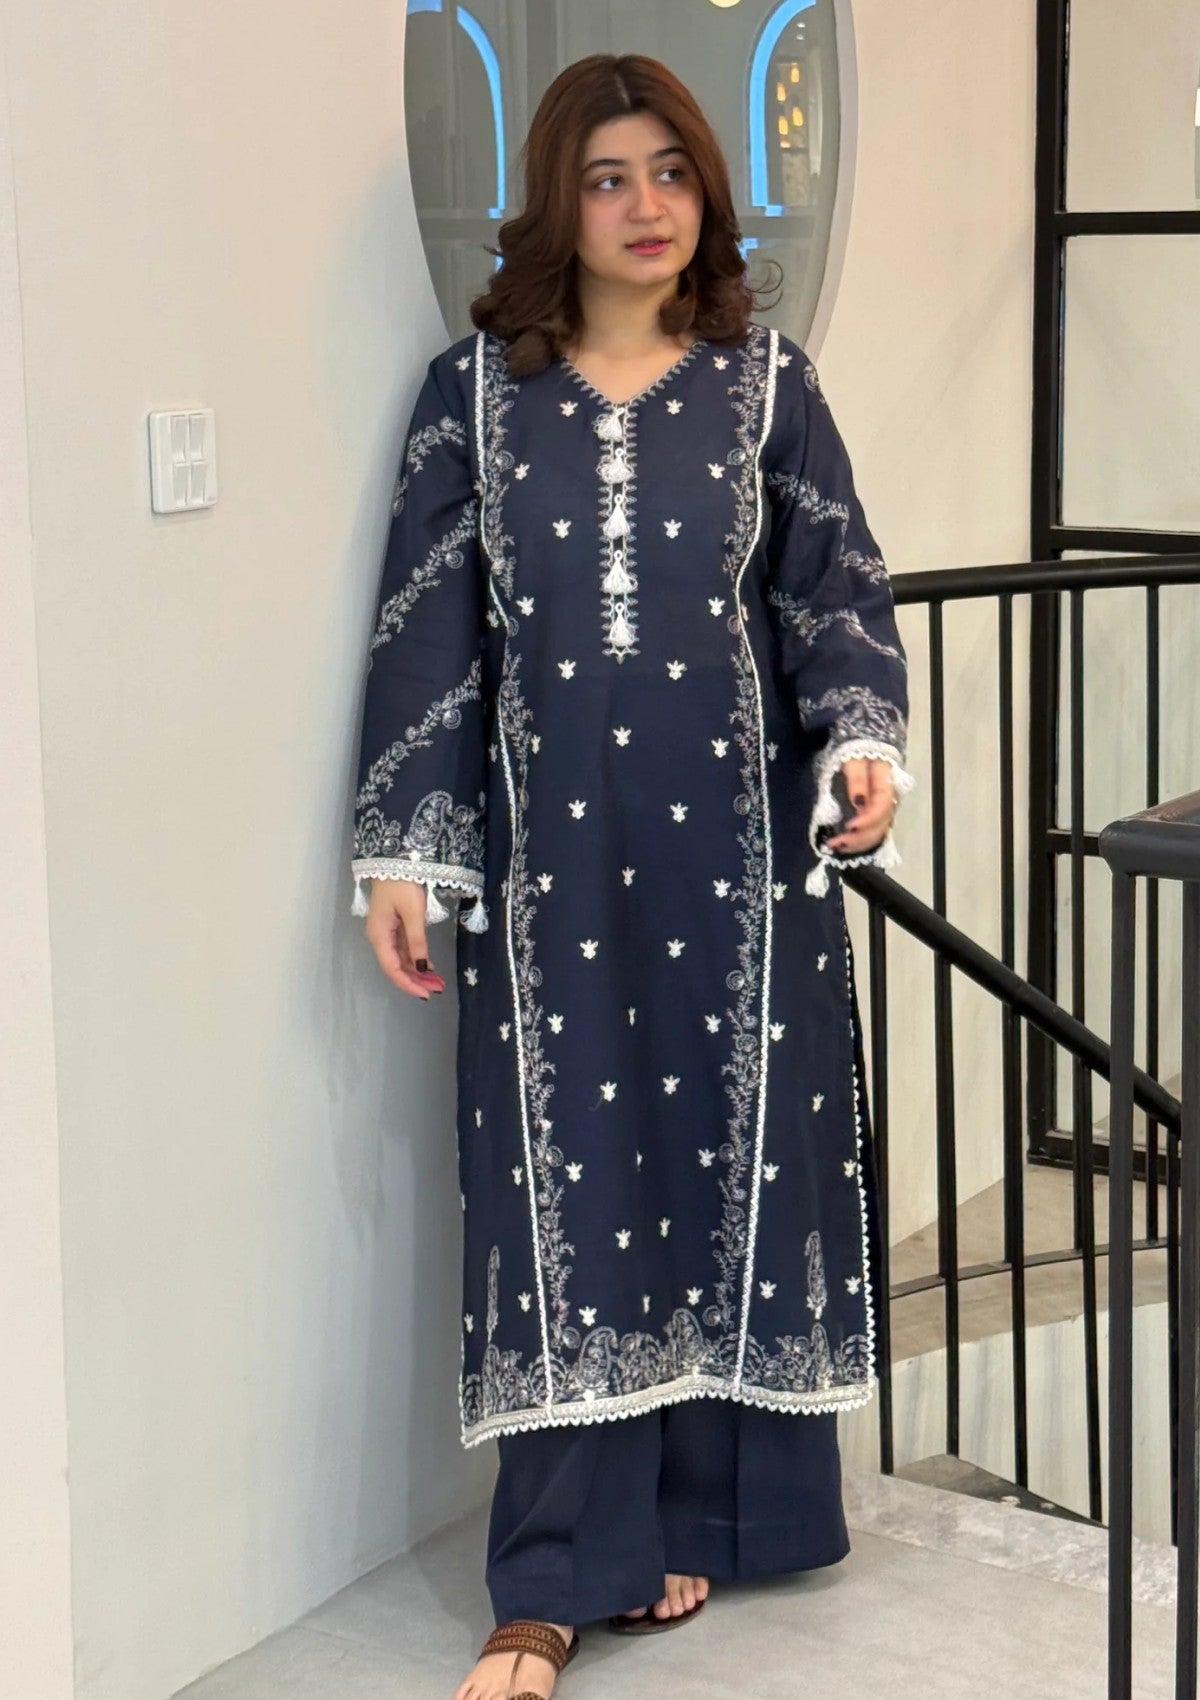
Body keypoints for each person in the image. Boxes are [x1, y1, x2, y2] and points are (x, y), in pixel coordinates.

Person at [350, 52, 911, 1700]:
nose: (647, 206)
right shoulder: (473, 398)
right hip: (554, 877)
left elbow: (831, 581)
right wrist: (405, 848)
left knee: (734, 1167)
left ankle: (704, 1520)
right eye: (608, 177)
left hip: (741, 862)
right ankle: (547, 1583)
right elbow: (428, 636)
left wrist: (862, 741)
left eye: (670, 171)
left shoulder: (766, 384)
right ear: (557, 201)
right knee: (565, 1183)